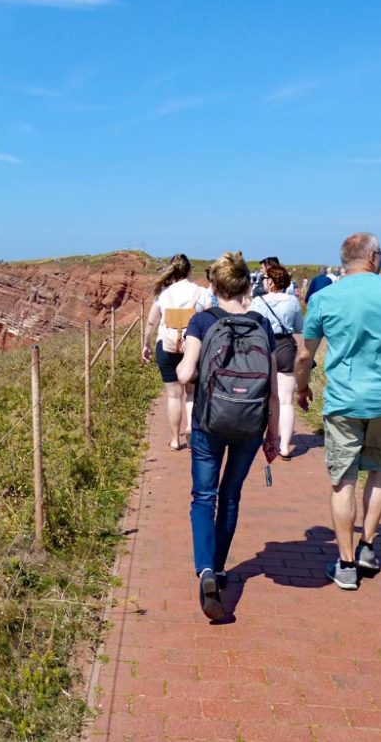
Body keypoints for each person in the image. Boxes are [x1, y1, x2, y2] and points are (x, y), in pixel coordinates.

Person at [295, 233, 381, 591]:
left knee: (343, 480)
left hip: (343, 400)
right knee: (379, 471)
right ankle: (368, 547)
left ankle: (344, 565)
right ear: (373, 257)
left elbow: (304, 355)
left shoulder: (324, 297)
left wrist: (301, 386)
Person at [176, 251, 280, 619]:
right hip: (250, 425)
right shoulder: (261, 325)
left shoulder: (203, 322)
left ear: (214, 285)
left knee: (204, 497)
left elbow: (186, 374)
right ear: (245, 285)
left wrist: (184, 351)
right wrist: (273, 435)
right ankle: (220, 569)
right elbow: (271, 390)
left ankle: (205, 569)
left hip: (209, 422)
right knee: (230, 495)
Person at [142, 254, 208, 451]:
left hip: (167, 347)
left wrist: (145, 344)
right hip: (192, 347)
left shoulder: (164, 294)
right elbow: (211, 317)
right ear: (189, 270)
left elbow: (151, 323)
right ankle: (190, 427)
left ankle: (174, 440)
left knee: (173, 395)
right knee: (191, 392)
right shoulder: (200, 292)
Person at [248, 263, 303, 459]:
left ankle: (260, 436)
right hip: (285, 346)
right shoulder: (293, 301)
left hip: (263, 345)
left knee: (261, 394)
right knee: (286, 399)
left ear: (270, 281)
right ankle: (285, 446)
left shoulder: (258, 301)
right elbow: (298, 327)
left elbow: (251, 324)